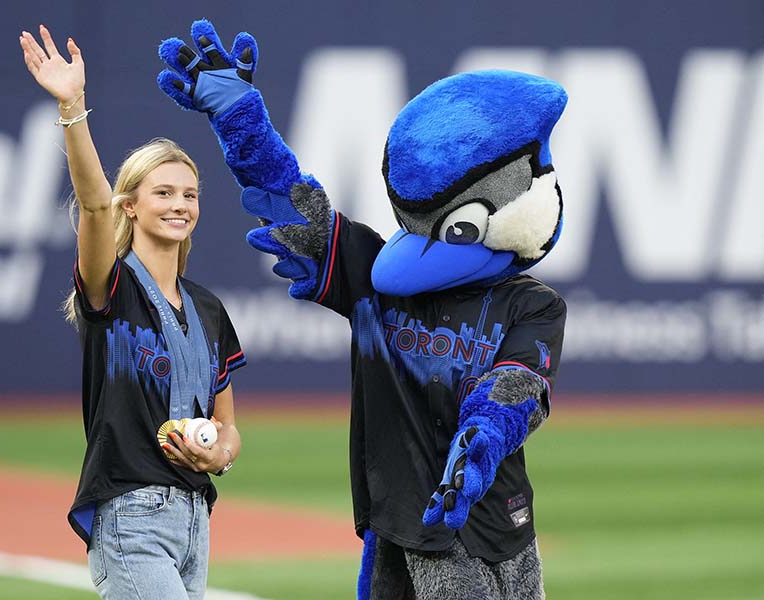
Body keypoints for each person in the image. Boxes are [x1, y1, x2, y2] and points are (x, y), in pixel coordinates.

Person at [155, 20, 567, 600]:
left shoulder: (532, 303)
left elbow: (517, 386)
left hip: (495, 524)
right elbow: (292, 204)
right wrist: (237, 113)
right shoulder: (375, 278)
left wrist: (479, 440)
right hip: (399, 522)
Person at [19, 24, 246, 600]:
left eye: (189, 194)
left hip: (196, 520)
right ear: (132, 204)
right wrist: (72, 107)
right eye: (163, 192)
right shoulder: (112, 287)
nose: (179, 205)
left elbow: (227, 426)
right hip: (132, 515)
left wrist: (218, 454)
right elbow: (92, 205)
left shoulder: (208, 309)